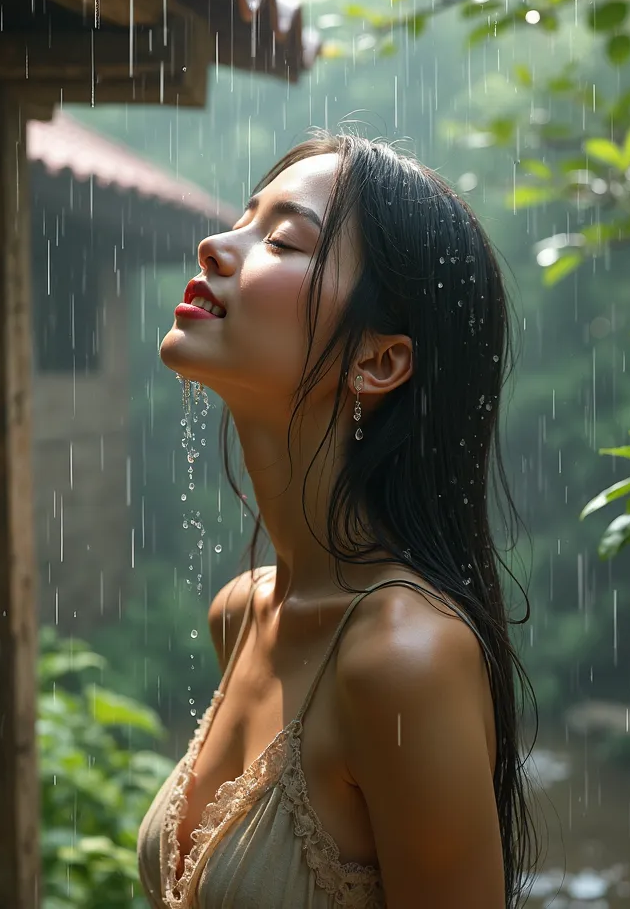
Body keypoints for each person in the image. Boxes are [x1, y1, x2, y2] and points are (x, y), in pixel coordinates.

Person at [137, 132, 540, 909]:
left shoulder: (402, 660)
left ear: (379, 361)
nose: (216, 245)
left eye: (283, 240)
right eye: (243, 219)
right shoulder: (242, 614)